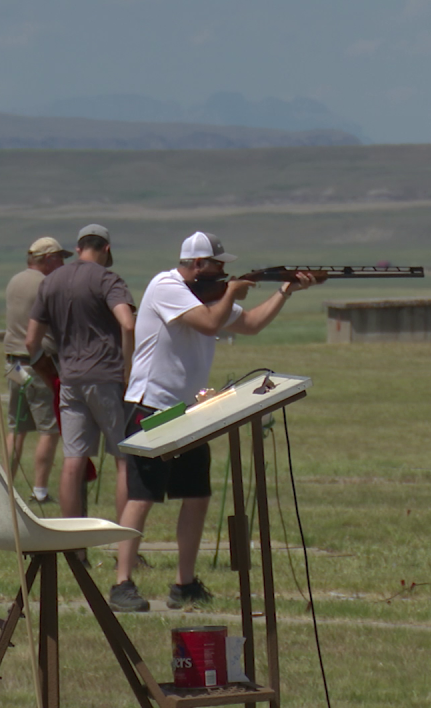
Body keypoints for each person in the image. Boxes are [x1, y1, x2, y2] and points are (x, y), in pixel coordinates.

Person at [108, 231, 315, 612]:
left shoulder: (206, 295)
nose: (223, 272)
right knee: (142, 496)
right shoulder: (166, 286)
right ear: (198, 265)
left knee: (197, 496)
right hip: (152, 407)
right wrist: (232, 292)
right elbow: (207, 323)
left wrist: (284, 291)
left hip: (189, 411)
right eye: (218, 266)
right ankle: (122, 582)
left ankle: (184, 583)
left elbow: (250, 325)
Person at [25, 224, 135, 523]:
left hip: (70, 379)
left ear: (77, 248)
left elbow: (31, 341)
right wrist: (128, 371)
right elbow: (127, 324)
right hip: (107, 377)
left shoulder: (52, 282)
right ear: (107, 249)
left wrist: (48, 371)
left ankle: (74, 546)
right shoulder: (108, 280)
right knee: (125, 459)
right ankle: (126, 544)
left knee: (73, 460)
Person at [3, 237, 71, 503]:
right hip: (38, 362)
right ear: (47, 259)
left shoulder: (14, 281)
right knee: (49, 429)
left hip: (13, 363)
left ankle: (4, 487)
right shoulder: (48, 284)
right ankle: (40, 491)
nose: (63, 264)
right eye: (59, 258)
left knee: (16, 429)